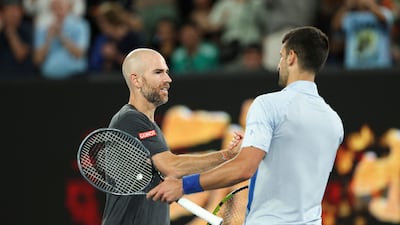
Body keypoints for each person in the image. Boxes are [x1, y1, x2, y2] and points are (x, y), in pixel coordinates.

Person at [147, 26, 345, 225]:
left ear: (292, 57)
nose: (279, 65)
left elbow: (244, 168)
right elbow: (294, 163)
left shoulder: (268, 104)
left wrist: (183, 186)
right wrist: (257, 143)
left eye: (281, 56)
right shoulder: (334, 121)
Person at [101, 48, 241, 225]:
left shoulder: (148, 125)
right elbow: (172, 166)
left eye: (167, 72)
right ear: (136, 80)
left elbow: (171, 170)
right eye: (158, 72)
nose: (168, 79)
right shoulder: (130, 120)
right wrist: (226, 155)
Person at [33, 0, 90, 79]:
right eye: (55, 4)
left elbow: (79, 54)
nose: (58, 7)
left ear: (70, 6)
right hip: (49, 79)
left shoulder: (81, 25)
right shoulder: (42, 28)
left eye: (61, 4)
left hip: (75, 77)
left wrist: (61, 36)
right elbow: (37, 60)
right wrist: (48, 39)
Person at [331, 0, 394, 69]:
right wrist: (346, 7)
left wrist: (371, 6)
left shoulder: (384, 11)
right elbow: (335, 26)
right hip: (354, 67)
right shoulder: (350, 16)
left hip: (379, 66)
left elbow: (385, 20)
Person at [0, 0, 37, 78]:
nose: (13, 14)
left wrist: (10, 31)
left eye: (16, 10)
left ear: (22, 12)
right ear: (2, 13)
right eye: (9, 10)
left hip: (22, 80)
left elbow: (20, 54)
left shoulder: (28, 28)